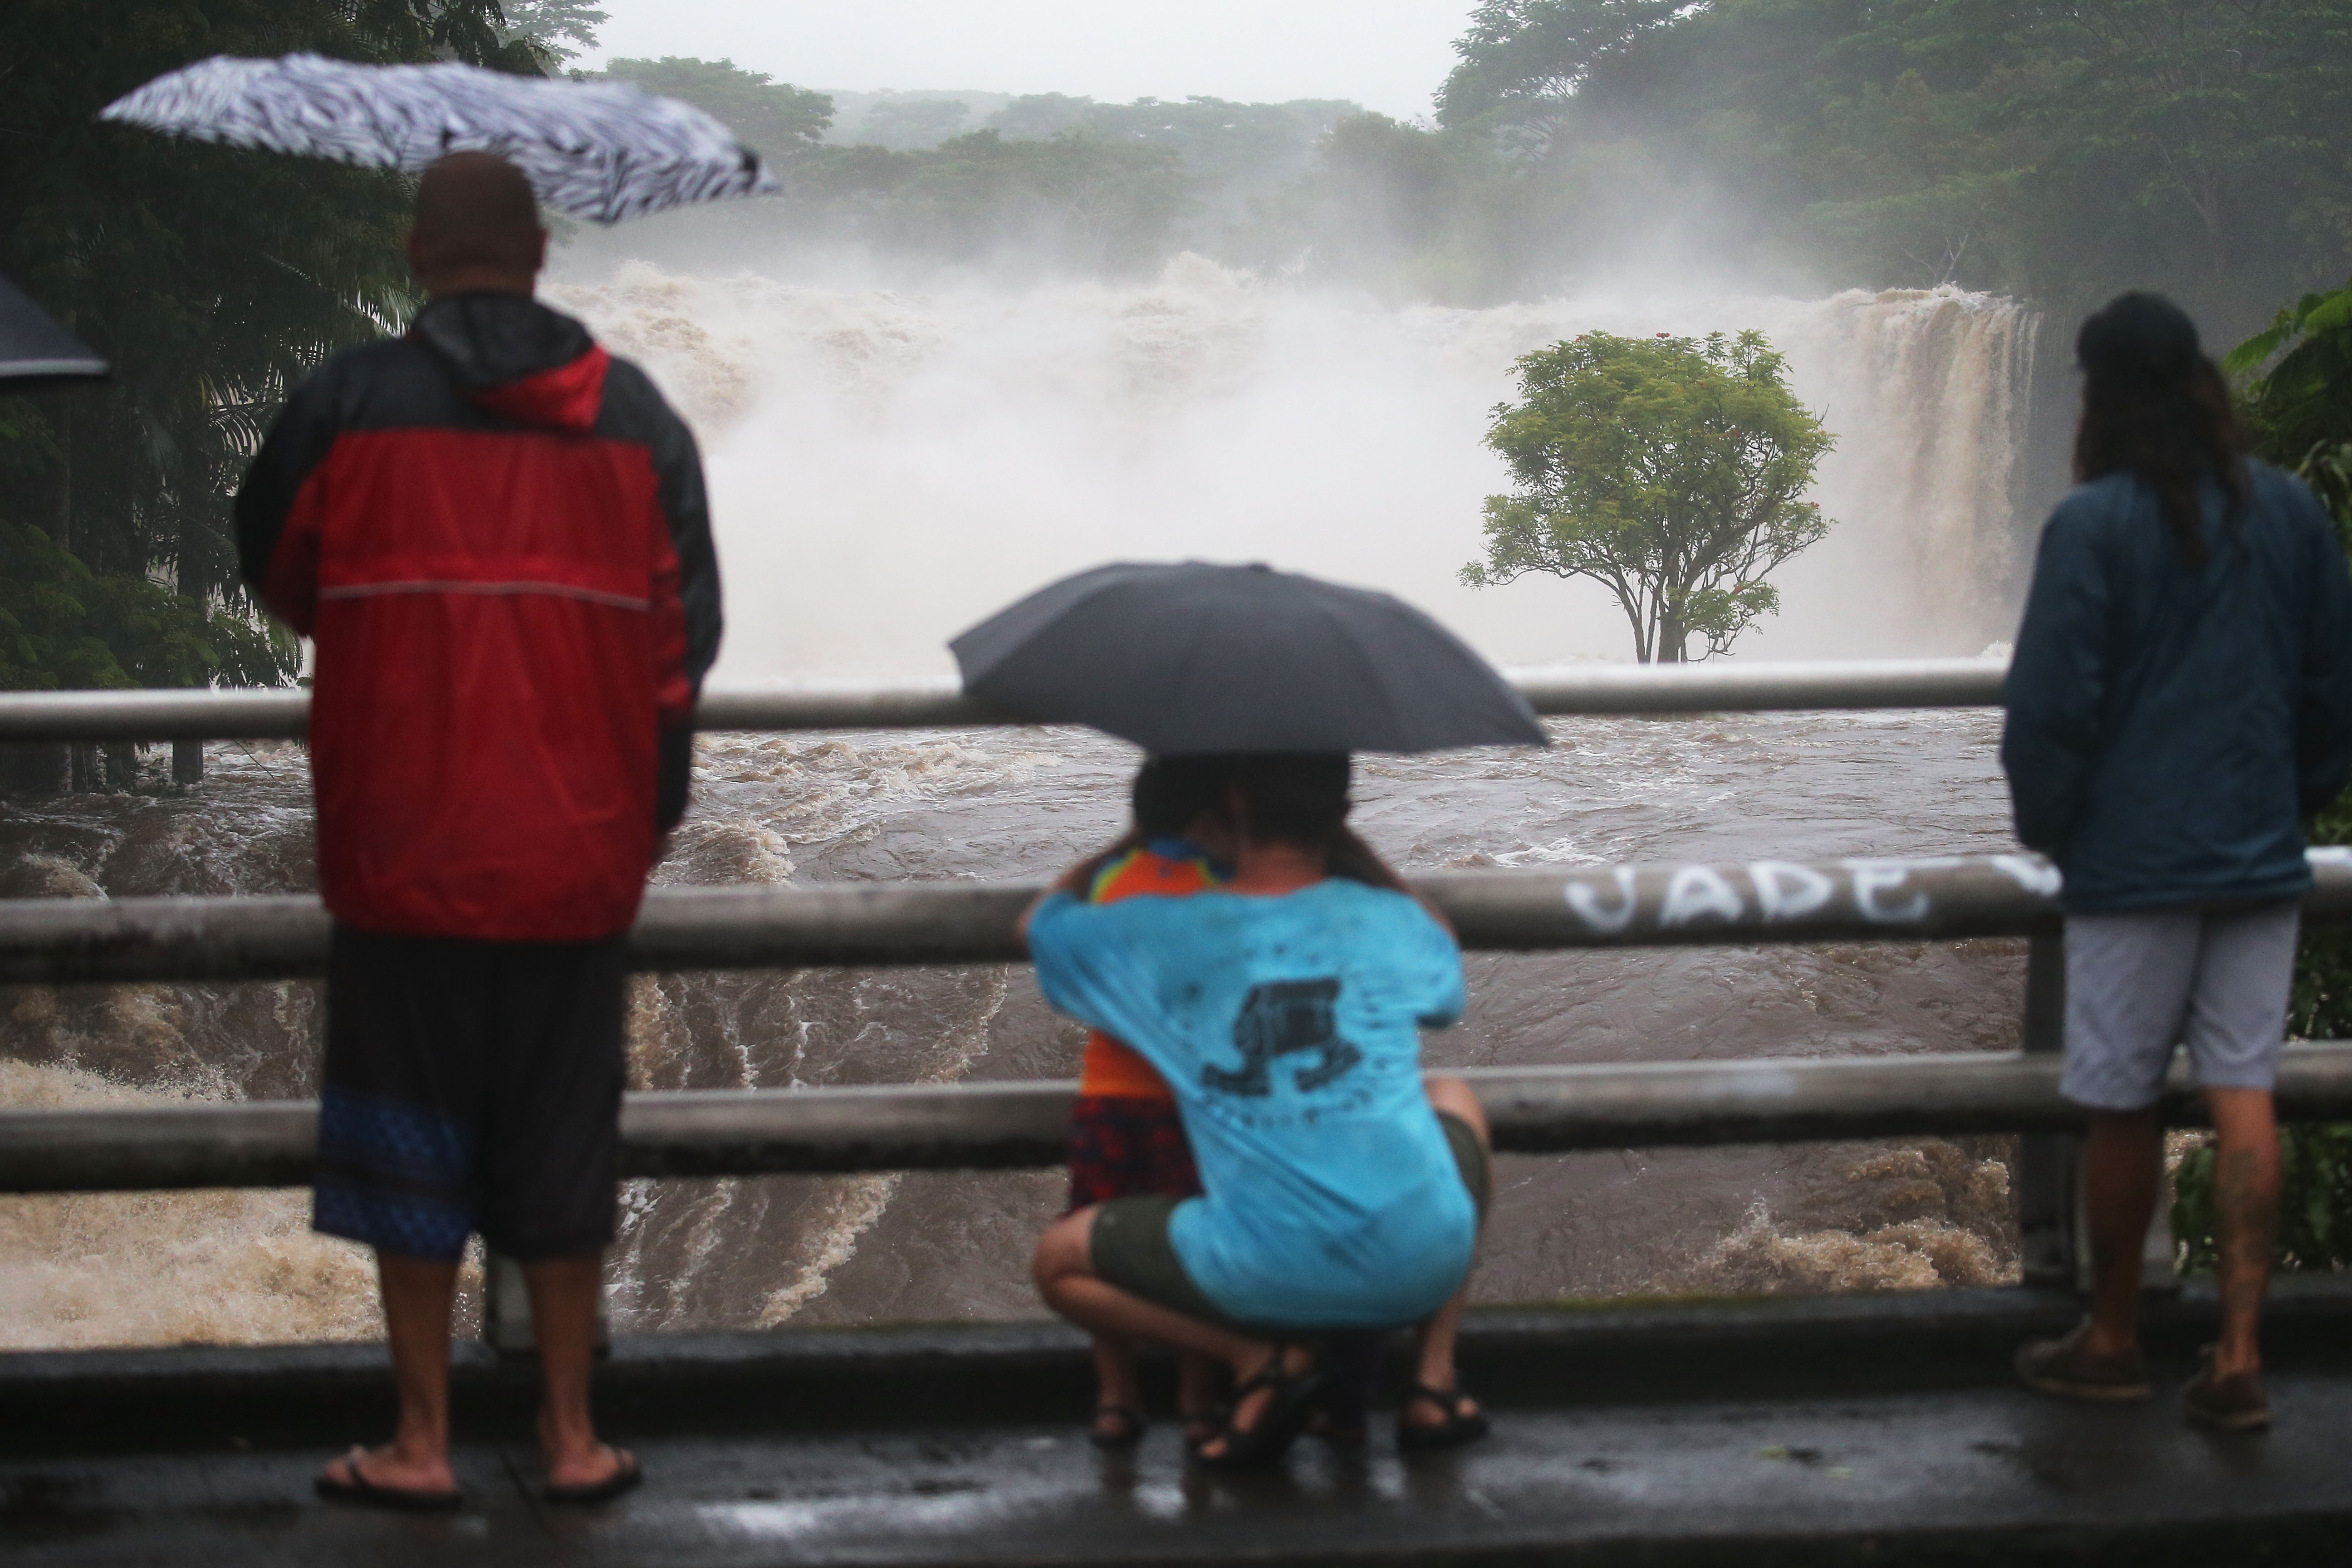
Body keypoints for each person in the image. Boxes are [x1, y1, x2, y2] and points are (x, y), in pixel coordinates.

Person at [235, 152, 722, 1506]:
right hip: (577, 863)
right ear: (541, 257)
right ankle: (570, 1440)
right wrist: (642, 824)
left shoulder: (347, 402)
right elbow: (685, 646)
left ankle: (422, 1445)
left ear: (414, 255)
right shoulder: (634, 416)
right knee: (562, 1148)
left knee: (411, 1143)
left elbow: (281, 568)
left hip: (403, 855)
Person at [2004, 292, 2352, 1432]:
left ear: (2100, 395)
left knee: (2119, 1101)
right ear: (2202, 379)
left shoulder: (2093, 524)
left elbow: (2051, 707)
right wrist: (2287, 806)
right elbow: (2328, 691)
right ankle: (2241, 1356)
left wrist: (2056, 829)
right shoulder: (2293, 513)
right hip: (2258, 855)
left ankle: (2112, 1339)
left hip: (2131, 865)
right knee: (2246, 1088)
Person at [1026, 753, 1491, 1467]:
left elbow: (1044, 920)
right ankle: (1431, 1383)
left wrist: (1129, 842)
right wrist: (1359, 855)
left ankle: (1261, 1355)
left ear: (1232, 805)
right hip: (1422, 1264)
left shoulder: (1160, 930)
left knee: (1059, 1264)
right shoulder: (1390, 918)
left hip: (1261, 1277)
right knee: (1454, 1094)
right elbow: (1443, 969)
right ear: (1340, 816)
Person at [1068, 759, 1233, 1450]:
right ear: (1207, 822)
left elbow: (1063, 927)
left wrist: (1119, 845)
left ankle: (1116, 1397)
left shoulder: (1110, 883)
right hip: (1192, 1104)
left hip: (1108, 1096)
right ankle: (1197, 1401)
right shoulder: (1222, 885)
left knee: (1100, 1241)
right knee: (1192, 1245)